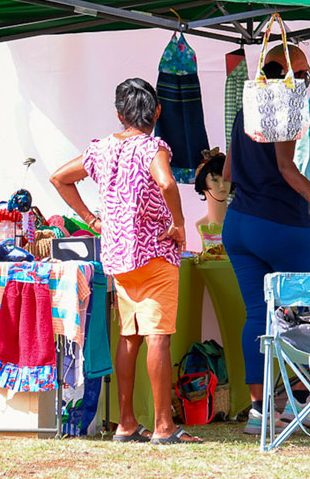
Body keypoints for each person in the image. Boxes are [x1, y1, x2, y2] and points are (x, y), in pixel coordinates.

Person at [50, 79, 199, 444]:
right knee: (157, 336)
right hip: (154, 252)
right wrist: (179, 224)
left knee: (129, 337)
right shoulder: (152, 147)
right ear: (157, 111)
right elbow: (166, 183)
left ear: (119, 114)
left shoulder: (100, 149)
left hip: (118, 256)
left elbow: (59, 178)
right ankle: (163, 426)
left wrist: (91, 219)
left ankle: (126, 423)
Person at [222, 43, 310, 435]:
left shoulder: (246, 107)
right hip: (280, 224)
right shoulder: (286, 105)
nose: (307, 83)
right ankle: (305, 402)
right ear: (292, 74)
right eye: (305, 75)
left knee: (257, 315)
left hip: (239, 222)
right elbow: (287, 168)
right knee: (306, 316)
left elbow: (228, 170)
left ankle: (260, 411)